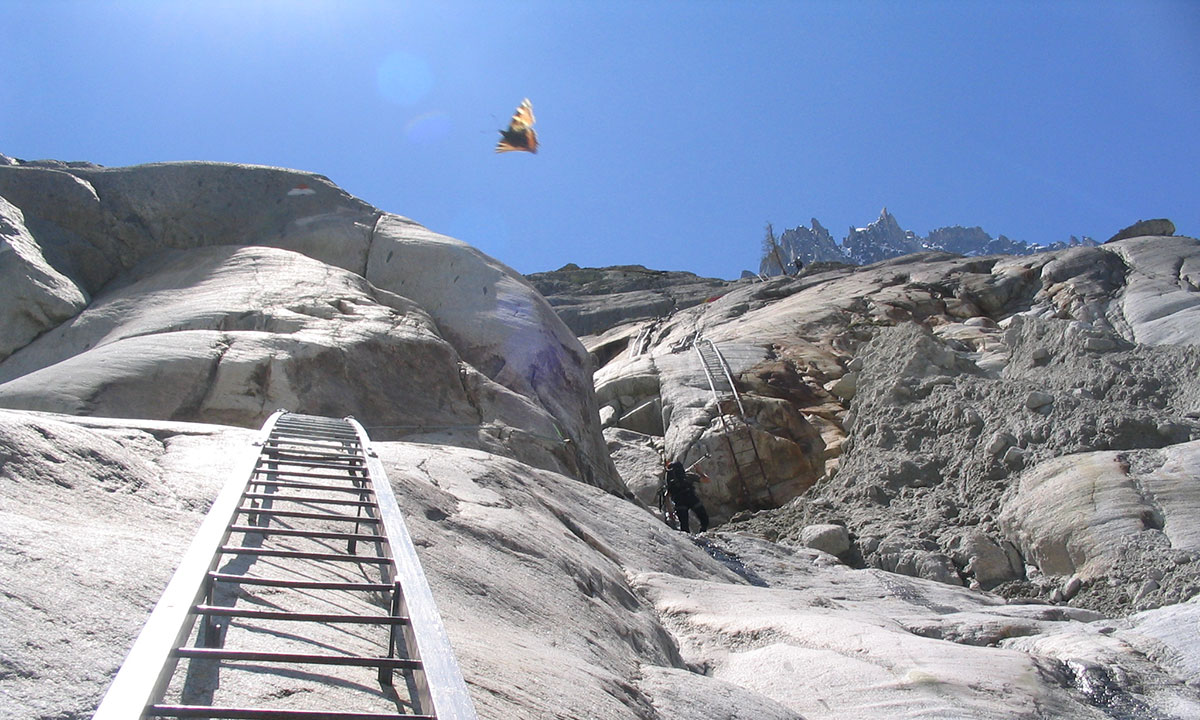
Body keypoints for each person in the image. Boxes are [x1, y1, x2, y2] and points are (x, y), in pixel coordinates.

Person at [665, 460, 710, 533]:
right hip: (692, 499)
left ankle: (689, 541)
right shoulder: (688, 475)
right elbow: (706, 480)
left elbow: (666, 496)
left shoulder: (671, 481)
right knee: (704, 520)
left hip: (679, 503)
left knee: (684, 526)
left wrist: (670, 513)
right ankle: (702, 534)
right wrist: (699, 472)